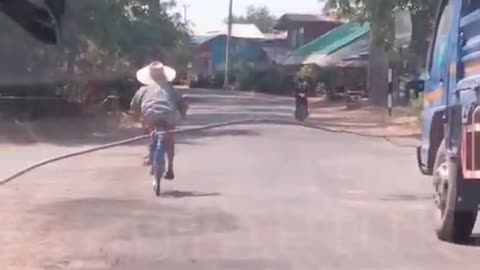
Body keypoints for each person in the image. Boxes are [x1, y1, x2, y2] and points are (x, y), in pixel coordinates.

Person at [130, 61, 186, 180]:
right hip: (168, 115)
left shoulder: (143, 90)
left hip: (150, 115)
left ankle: (151, 156)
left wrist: (137, 118)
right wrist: (182, 115)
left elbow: (134, 106)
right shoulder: (171, 89)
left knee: (151, 131)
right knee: (170, 139)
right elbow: (182, 104)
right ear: (164, 75)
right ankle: (170, 168)